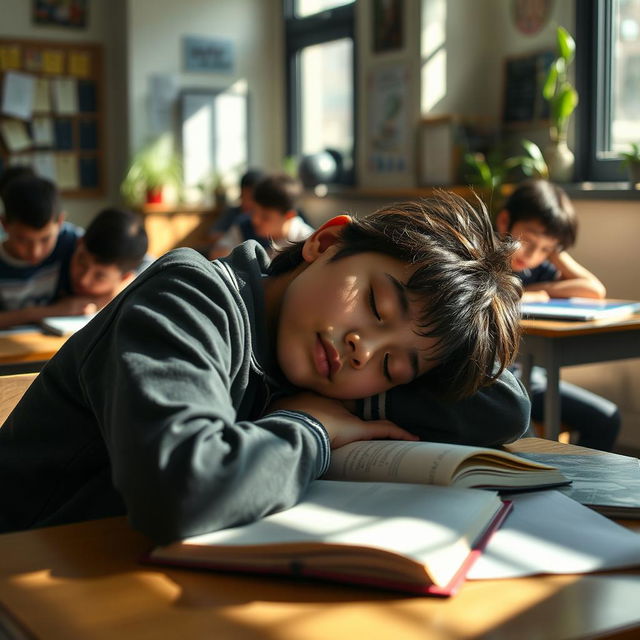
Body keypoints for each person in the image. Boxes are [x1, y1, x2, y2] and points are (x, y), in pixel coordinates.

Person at [0, 192, 529, 544]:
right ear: (326, 241)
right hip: (26, 577)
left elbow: (502, 408)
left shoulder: (300, 362)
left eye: (393, 366)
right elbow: (181, 488)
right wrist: (314, 426)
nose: (362, 350)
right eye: (374, 305)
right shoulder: (193, 294)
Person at [496, 179, 620, 451]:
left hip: (530, 376)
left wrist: (551, 268)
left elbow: (593, 290)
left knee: (606, 419)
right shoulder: (483, 258)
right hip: (493, 379)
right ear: (505, 221)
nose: (532, 255)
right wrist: (524, 293)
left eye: (545, 249)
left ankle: (582, 490)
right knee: (519, 427)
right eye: (528, 241)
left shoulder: (531, 270)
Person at [0, 173, 84, 329]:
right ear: (4, 224)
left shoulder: (72, 240)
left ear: (60, 222)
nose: (35, 252)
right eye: (22, 240)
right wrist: (45, 312)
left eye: (45, 239)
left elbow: (132, 272)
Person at [59, 207, 151, 307]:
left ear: (124, 278)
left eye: (99, 276)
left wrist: (99, 303)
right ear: (79, 242)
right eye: (82, 262)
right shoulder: (57, 244)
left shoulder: (141, 275)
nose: (83, 280)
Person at [211, 174, 313, 259]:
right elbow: (220, 251)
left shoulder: (306, 242)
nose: (255, 220)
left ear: (289, 216)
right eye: (253, 212)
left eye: (265, 217)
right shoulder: (244, 227)